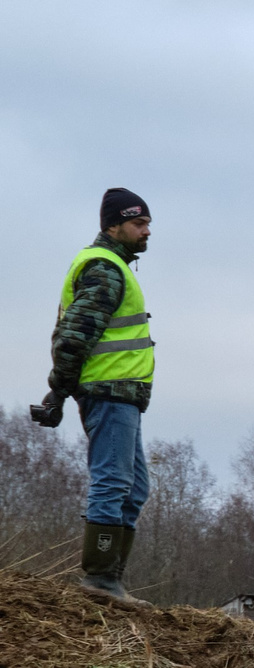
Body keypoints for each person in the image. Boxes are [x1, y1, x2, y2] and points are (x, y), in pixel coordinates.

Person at [36, 188, 157, 600]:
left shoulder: (114, 267)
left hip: (122, 394)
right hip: (108, 392)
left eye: (147, 224)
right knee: (113, 481)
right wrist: (59, 389)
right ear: (113, 225)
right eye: (138, 224)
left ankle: (111, 578)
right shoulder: (104, 269)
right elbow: (73, 338)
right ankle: (100, 579)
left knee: (135, 486)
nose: (147, 232)